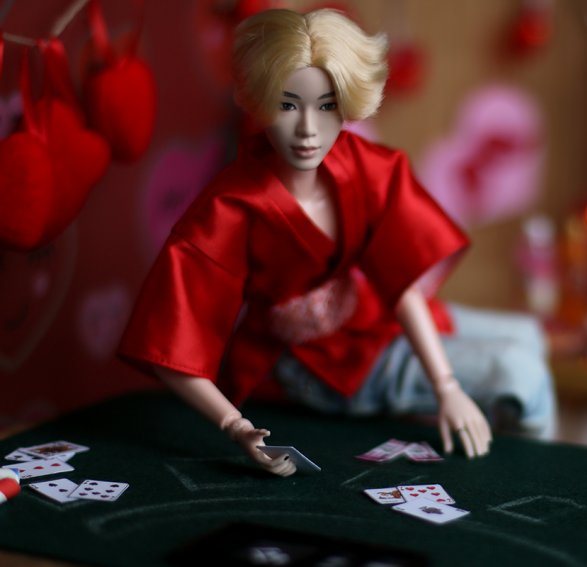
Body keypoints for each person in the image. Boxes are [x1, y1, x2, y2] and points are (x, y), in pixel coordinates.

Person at [118, 8, 556, 477]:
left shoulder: (358, 164)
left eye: (326, 106)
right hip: (312, 365)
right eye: (288, 105)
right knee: (520, 374)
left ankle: (512, 463)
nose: (308, 128)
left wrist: (446, 386)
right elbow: (170, 347)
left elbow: (400, 280)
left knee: (528, 336)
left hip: (367, 320)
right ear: (258, 98)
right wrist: (236, 426)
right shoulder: (230, 208)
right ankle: (533, 478)